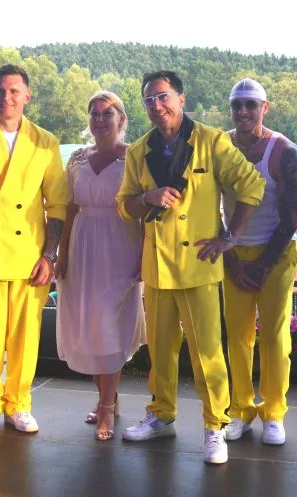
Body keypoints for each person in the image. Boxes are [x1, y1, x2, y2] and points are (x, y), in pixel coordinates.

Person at [115, 70, 264, 464]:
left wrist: (230, 237)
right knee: (160, 350)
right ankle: (161, 414)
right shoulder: (138, 151)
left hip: (199, 265)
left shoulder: (213, 142)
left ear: (181, 98)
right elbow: (125, 206)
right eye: (149, 100)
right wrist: (148, 197)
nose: (156, 105)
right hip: (157, 266)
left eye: (163, 96)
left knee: (208, 353)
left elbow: (252, 185)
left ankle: (215, 425)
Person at [0, 64, 67, 435]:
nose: (7, 97)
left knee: (25, 337)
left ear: (27, 96)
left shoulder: (46, 143)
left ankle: (18, 403)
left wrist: (49, 255)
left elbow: (57, 205)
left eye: (14, 91)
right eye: (0, 90)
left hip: (30, 255)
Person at [55, 91, 145, 441]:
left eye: (108, 113)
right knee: (91, 326)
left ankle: (107, 407)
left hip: (120, 245)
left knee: (110, 325)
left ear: (121, 119)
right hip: (82, 246)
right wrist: (62, 253)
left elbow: (144, 210)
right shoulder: (77, 158)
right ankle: (109, 397)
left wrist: (145, 253)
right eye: (94, 113)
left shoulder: (135, 157)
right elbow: (69, 207)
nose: (100, 119)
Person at [221, 78, 297, 447]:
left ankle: (273, 412)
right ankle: (240, 409)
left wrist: (262, 265)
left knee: (273, 336)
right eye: (236, 105)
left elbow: (290, 218)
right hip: (234, 252)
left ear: (264, 108)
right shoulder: (219, 147)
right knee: (237, 337)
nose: (243, 111)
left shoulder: (285, 151)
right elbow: (206, 207)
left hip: (277, 252)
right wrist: (231, 261)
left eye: (250, 105)